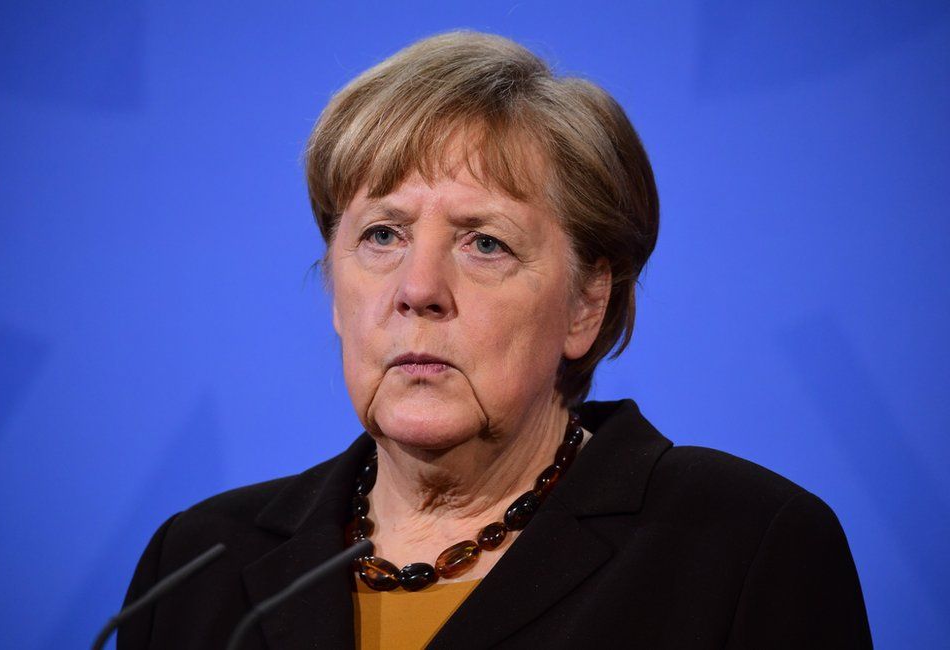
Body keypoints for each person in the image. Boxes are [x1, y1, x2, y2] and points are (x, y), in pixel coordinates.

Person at [119, 31, 872, 649]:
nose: (418, 289)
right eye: (382, 235)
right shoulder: (197, 566)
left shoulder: (740, 546)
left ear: (585, 302)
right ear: (335, 292)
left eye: (484, 244)